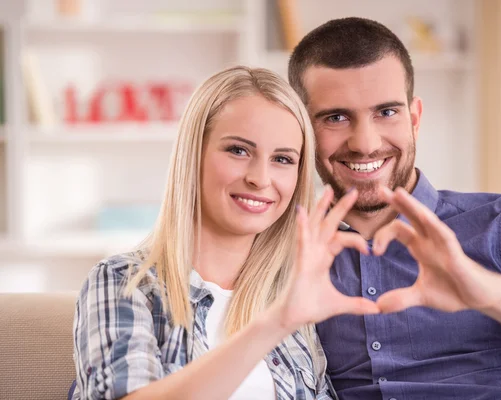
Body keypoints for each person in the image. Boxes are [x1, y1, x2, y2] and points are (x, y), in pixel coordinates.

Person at [287, 17, 501, 400]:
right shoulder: (283, 254)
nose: (366, 144)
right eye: (336, 117)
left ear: (414, 118)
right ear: (301, 129)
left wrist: (491, 292)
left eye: (386, 112)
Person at [71, 66, 380, 400]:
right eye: (238, 150)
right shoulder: (124, 283)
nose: (261, 178)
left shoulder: (292, 302)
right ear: (195, 153)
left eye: (282, 159)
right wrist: (276, 323)